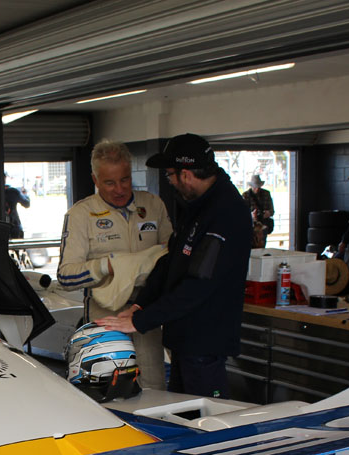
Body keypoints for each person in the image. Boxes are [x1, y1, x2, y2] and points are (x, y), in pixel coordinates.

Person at [96, 133, 251, 399]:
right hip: (184, 339)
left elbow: (199, 284)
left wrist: (141, 321)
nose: (170, 182)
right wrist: (140, 305)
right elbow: (171, 262)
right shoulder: (197, 206)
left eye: (170, 175)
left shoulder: (226, 212)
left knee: (204, 418)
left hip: (205, 342)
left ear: (186, 174)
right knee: (182, 414)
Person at [58, 140, 173, 390]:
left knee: (154, 388)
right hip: (105, 316)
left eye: (125, 179)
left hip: (146, 314)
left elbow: (171, 259)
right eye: (110, 183)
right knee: (110, 390)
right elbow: (65, 277)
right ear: (95, 180)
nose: (120, 189)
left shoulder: (153, 205)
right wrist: (106, 266)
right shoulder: (81, 215)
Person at [242, 175, 274, 247]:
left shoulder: (266, 194)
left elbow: (272, 211)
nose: (257, 189)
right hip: (250, 226)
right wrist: (251, 215)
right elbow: (241, 213)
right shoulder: (246, 195)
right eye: (255, 187)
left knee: (262, 246)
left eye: (258, 187)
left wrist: (268, 213)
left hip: (263, 225)